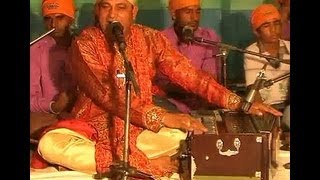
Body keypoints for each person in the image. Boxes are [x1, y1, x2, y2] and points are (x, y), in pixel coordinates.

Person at [32, 0, 282, 178]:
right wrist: (166, 117)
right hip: (93, 126)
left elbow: (192, 76)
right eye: (106, 7)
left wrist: (241, 103)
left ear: (134, 11)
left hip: (140, 127)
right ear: (98, 11)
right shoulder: (85, 44)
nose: (112, 14)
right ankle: (144, 164)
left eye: (121, 7)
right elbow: (111, 97)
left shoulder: (151, 39)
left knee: (186, 136)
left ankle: (124, 164)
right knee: (50, 144)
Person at [154, 0, 222, 113]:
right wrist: (195, 83)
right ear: (174, 14)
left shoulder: (209, 37)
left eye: (198, 12)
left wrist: (182, 83)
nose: (195, 18)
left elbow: (211, 78)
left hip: (203, 107)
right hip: (169, 108)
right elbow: (161, 82)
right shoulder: (160, 40)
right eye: (188, 12)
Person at [30, 0, 77, 144]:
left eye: (60, 17)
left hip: (81, 115)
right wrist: (54, 106)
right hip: (48, 117)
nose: (53, 25)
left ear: (71, 18)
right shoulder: (36, 50)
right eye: (48, 19)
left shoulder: (83, 46)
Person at [243, 4, 290, 111]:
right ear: (256, 31)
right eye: (266, 26)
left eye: (276, 24)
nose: (273, 30)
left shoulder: (289, 47)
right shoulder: (251, 52)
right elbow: (253, 89)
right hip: (267, 109)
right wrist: (266, 114)